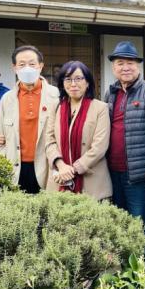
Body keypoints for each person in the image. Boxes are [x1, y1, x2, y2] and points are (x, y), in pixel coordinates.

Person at [105, 41, 145, 237]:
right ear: (113, 67)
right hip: (113, 172)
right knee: (119, 224)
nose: (125, 67)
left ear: (138, 66)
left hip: (140, 175)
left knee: (140, 226)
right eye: (120, 63)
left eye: (130, 63)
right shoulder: (111, 93)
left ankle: (143, 258)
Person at [0, 45, 59, 194]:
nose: (27, 68)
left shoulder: (56, 95)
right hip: (16, 167)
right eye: (22, 64)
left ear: (41, 66)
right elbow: (1, 136)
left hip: (47, 165)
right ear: (14, 68)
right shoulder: (7, 99)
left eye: (32, 64)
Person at [46, 61, 111, 200]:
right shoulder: (56, 107)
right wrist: (61, 165)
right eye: (68, 79)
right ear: (62, 83)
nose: (73, 84)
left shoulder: (100, 108)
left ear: (87, 83)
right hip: (59, 179)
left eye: (79, 78)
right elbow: (49, 140)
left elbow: (99, 147)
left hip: (91, 180)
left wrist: (71, 170)